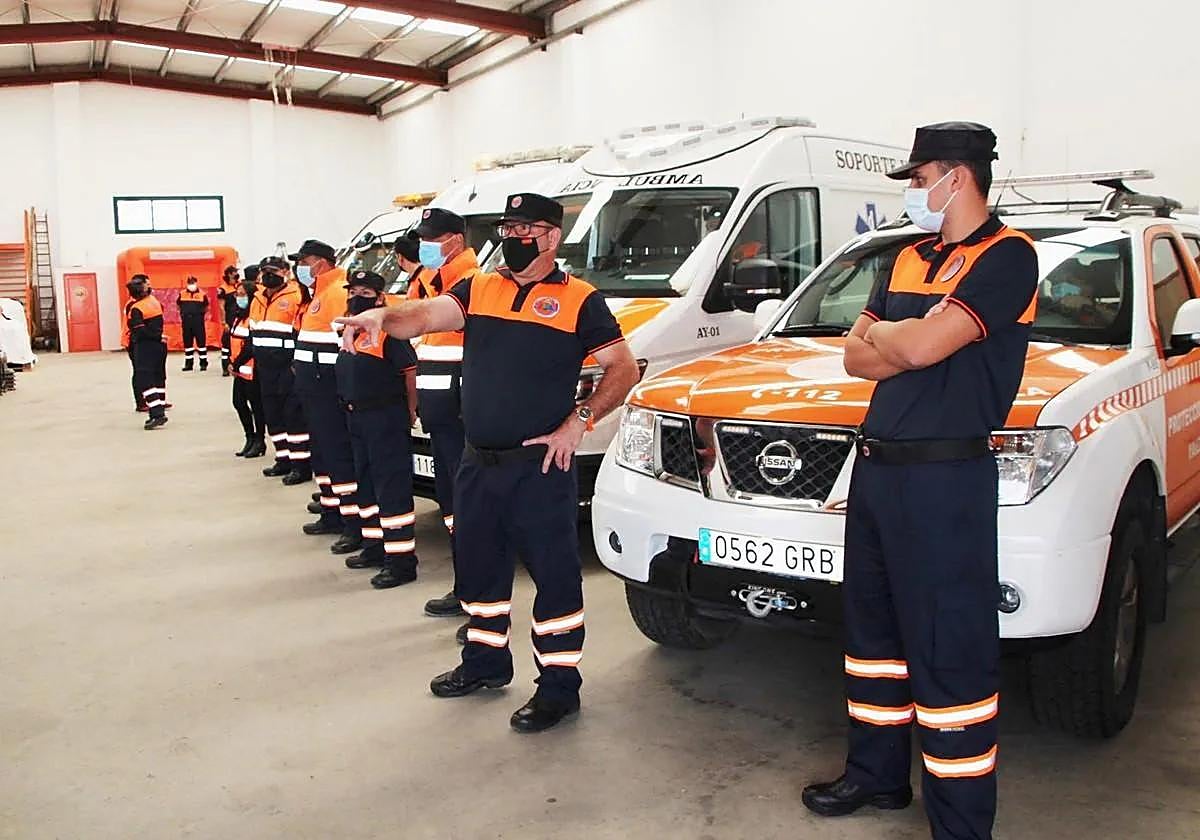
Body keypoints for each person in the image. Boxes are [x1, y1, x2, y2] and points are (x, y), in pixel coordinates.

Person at [801, 123, 1038, 840]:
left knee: (949, 653)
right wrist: (899, 340)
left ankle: (961, 823)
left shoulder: (1007, 258)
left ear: (955, 177)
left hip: (945, 481)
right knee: (872, 639)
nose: (911, 192)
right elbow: (854, 357)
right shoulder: (905, 258)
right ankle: (877, 777)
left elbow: (929, 342)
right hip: (876, 474)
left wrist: (900, 339)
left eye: (917, 178)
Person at [338, 193, 641, 733]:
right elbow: (427, 314)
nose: (513, 236)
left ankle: (558, 689)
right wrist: (382, 315)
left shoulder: (581, 300)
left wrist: (579, 422)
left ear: (551, 236)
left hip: (540, 468)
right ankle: (484, 664)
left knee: (554, 580)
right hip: (478, 463)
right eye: (507, 226)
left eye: (525, 227)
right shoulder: (480, 287)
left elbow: (622, 368)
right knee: (479, 568)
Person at [407, 210, 482, 617]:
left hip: (460, 422)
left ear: (454, 240)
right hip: (442, 423)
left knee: (470, 510)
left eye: (432, 239)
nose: (426, 246)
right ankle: (465, 590)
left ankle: (479, 600)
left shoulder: (469, 285)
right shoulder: (438, 282)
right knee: (453, 509)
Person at [336, 269, 420, 585]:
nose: (357, 298)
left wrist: (411, 410)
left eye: (366, 294)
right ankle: (374, 546)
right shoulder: (350, 332)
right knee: (367, 483)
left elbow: (410, 374)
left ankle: (401, 562)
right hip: (356, 418)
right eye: (353, 291)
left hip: (385, 418)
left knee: (391, 487)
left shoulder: (389, 333)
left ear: (380, 299)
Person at [290, 239, 360, 554]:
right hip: (313, 391)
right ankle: (332, 511)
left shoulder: (337, 293)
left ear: (321, 261)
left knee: (339, 456)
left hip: (329, 390)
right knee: (322, 453)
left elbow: (348, 346)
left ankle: (353, 524)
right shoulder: (318, 292)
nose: (300, 268)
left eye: (304, 261)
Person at [250, 257, 308, 480]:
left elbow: (301, 332)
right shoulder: (258, 298)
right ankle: (283, 459)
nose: (268, 275)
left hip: (288, 367)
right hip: (265, 368)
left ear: (285, 271)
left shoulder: (296, 296)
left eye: (273, 271)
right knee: (273, 416)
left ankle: (301, 465)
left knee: (293, 417)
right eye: (264, 271)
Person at [229, 271, 266, 458]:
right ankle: (249, 437)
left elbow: (251, 345)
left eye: (243, 294)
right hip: (239, 370)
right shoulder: (238, 317)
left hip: (252, 369)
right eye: (237, 294)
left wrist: (236, 363)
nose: (239, 297)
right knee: (238, 403)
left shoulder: (254, 318)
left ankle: (260, 441)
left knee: (257, 406)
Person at [126, 274, 169, 430]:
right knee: (159, 377)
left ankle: (157, 414)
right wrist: (160, 337)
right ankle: (161, 407)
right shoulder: (154, 302)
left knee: (145, 379)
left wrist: (156, 336)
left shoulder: (136, 308)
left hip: (145, 347)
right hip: (160, 346)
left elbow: (140, 331)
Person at [177, 275, 210, 372]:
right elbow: (178, 305)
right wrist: (184, 313)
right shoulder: (182, 293)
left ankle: (203, 363)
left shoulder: (202, 294)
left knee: (201, 344)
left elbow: (206, 307)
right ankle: (188, 364)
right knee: (188, 344)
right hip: (186, 322)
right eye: (190, 283)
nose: (191, 285)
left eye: (193, 283)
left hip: (198, 321)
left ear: (196, 283)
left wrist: (199, 314)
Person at [121, 295, 146, 412]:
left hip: (139, 340)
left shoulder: (140, 303)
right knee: (138, 371)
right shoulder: (133, 305)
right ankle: (140, 402)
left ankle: (151, 399)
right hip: (133, 341)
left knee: (146, 371)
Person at [217, 265, 242, 377]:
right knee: (226, 345)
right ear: (228, 274)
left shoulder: (239, 286)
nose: (236, 274)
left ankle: (235, 365)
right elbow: (221, 307)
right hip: (229, 319)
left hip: (239, 319)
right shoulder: (223, 289)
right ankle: (225, 367)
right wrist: (224, 322)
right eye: (234, 272)